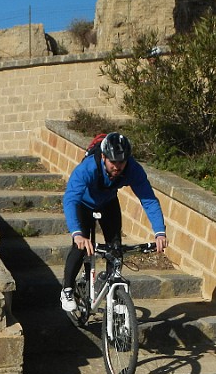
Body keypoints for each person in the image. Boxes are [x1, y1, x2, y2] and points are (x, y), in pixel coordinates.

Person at [60, 132, 168, 311]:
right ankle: (67, 290)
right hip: (83, 204)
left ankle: (113, 293)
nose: (118, 166)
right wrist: (77, 234)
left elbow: (148, 199)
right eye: (113, 162)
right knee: (80, 247)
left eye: (122, 162)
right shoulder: (87, 169)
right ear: (103, 157)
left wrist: (159, 232)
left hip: (108, 202)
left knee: (115, 248)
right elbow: (71, 199)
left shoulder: (133, 169)